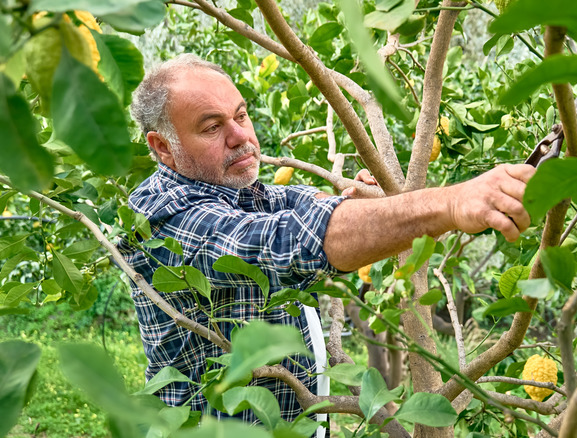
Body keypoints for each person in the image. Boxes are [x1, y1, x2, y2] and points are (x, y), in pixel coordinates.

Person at [121, 54, 534, 429]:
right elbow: (287, 241)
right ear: (163, 148)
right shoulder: (158, 215)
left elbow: (311, 206)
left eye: (241, 115)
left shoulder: (245, 193)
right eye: (212, 127)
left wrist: (366, 206)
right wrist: (453, 202)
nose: (240, 136)